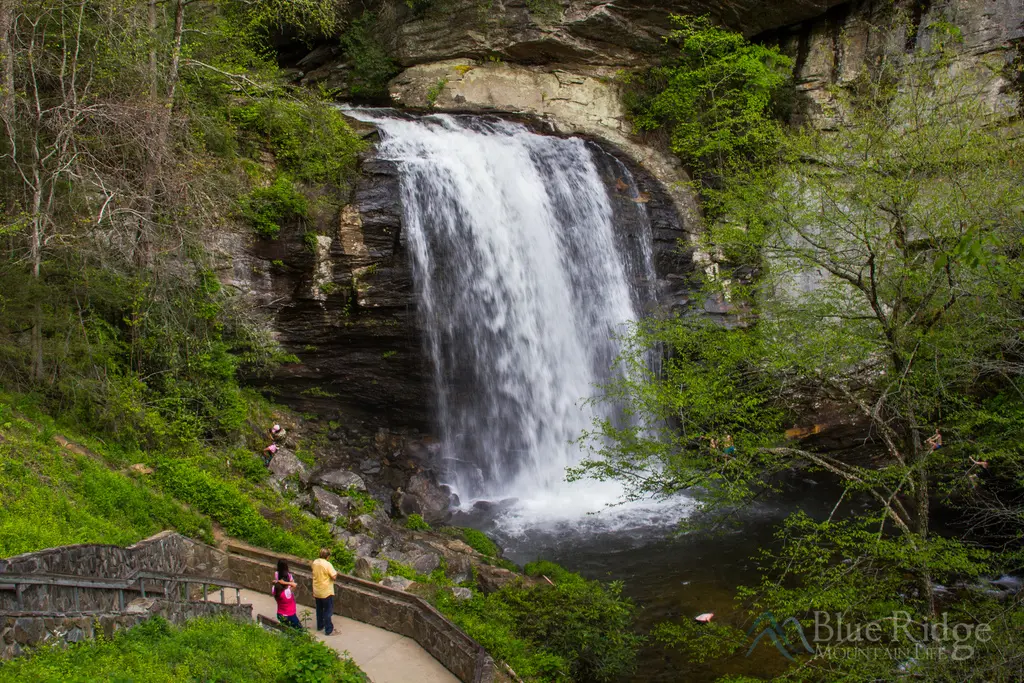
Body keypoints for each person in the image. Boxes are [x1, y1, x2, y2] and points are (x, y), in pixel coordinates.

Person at [312, 547, 339, 635]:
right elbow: (333, 576)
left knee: (319, 609)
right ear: (327, 556)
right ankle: (329, 629)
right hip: (326, 591)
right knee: (327, 610)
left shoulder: (315, 562)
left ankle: (320, 625)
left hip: (316, 589)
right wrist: (337, 572)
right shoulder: (327, 564)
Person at [273, 559, 301, 629]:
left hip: (280, 613)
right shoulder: (287, 592)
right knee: (300, 630)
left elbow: (275, 583)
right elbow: (294, 584)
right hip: (290, 614)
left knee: (286, 629)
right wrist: (287, 583)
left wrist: (279, 582)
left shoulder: (274, 590)